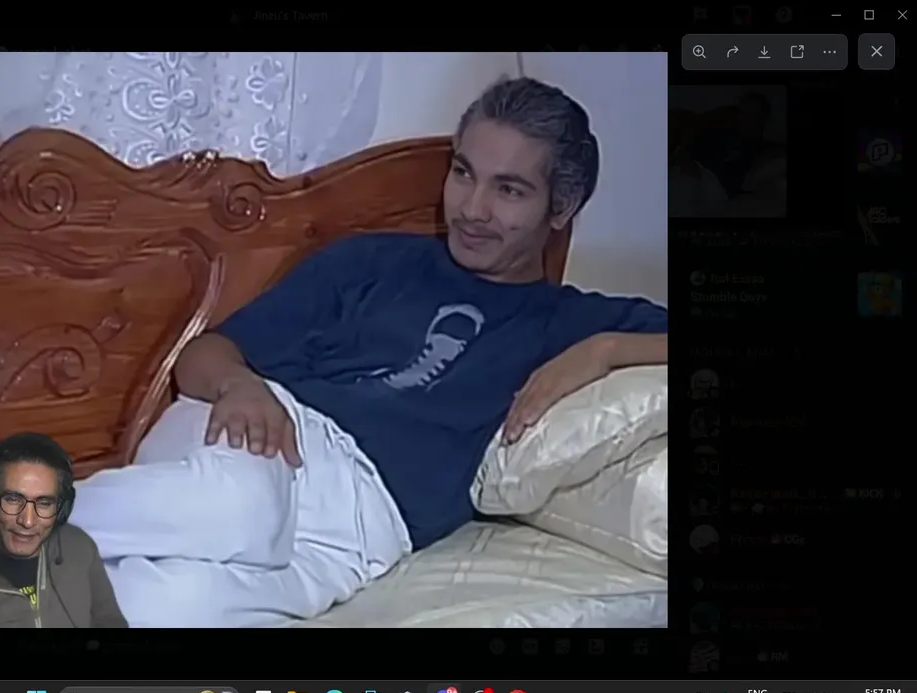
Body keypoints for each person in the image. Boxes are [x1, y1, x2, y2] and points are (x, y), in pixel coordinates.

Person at [64, 76, 669, 627]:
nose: (472, 208)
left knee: (164, 608)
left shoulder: (567, 321)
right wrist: (239, 385)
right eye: (463, 173)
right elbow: (205, 353)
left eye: (508, 189)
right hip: (270, 435)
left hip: (365, 535)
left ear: (561, 208)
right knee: (240, 509)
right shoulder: (372, 262)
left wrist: (605, 350)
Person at [0, 432, 128, 628]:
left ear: (61, 509)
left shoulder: (80, 548)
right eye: (13, 499)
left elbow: (111, 623)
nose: (28, 521)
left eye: (44, 503)